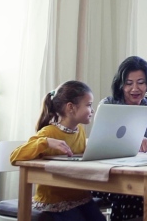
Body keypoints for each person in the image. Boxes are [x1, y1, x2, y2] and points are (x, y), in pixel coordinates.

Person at [93, 56, 147, 220]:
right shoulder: (109, 104)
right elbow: (100, 141)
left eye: (141, 82)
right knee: (133, 194)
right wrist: (132, 141)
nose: (135, 88)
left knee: (139, 192)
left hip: (139, 174)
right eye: (128, 83)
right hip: (107, 176)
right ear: (121, 85)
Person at [10, 80, 105, 221]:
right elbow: (14, 156)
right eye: (89, 105)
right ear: (71, 108)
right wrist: (46, 142)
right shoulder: (48, 132)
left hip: (80, 198)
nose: (92, 110)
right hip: (54, 202)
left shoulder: (80, 130)